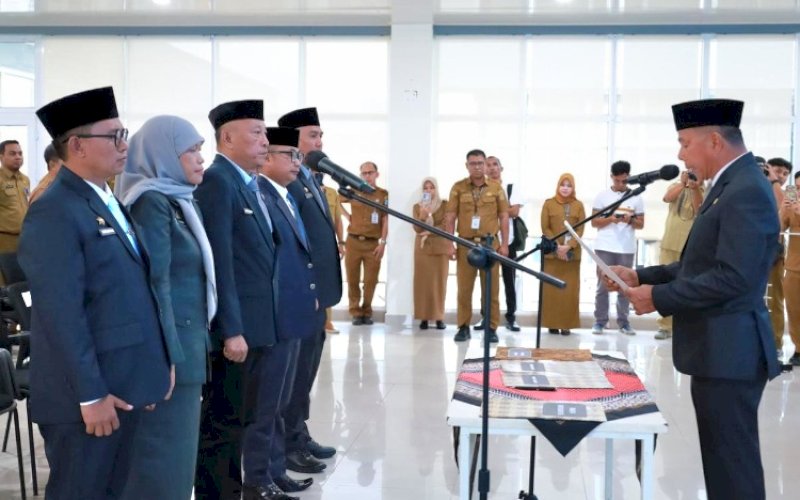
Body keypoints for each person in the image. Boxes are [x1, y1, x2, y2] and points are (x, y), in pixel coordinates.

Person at [610, 98, 780, 500]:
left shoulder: (746, 191)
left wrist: (659, 297)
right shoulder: (728, 185)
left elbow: (732, 278)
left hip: (732, 352)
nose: (679, 153)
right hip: (717, 349)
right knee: (722, 464)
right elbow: (701, 264)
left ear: (715, 141)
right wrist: (642, 275)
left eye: (685, 143)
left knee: (733, 467)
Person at [19, 86, 172, 499]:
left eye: (126, 134)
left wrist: (151, 369)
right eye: (114, 136)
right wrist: (91, 395)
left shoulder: (105, 197)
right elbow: (60, 312)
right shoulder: (55, 208)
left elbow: (130, 293)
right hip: (86, 397)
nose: (125, 146)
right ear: (77, 145)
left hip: (121, 382)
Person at [115, 115, 216, 500]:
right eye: (190, 150)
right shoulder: (151, 202)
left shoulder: (179, 201)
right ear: (162, 154)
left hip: (190, 348)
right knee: (162, 464)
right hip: (172, 356)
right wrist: (168, 357)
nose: (199, 158)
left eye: (199, 150)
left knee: (176, 463)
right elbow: (155, 284)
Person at [193, 100, 282, 500]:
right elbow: (220, 265)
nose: (266, 141)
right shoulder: (218, 182)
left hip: (256, 326)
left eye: (265, 133)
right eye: (257, 133)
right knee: (223, 425)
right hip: (236, 332)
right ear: (227, 138)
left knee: (241, 419)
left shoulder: (246, 182)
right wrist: (231, 329)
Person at [253, 126, 325, 496]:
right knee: (268, 402)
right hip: (275, 313)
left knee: (281, 398)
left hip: (295, 308)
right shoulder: (261, 194)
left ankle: (276, 468)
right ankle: (264, 473)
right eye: (291, 155)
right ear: (267, 158)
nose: (299, 161)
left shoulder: (283, 195)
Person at [279, 107, 340, 473]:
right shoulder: (289, 181)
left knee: (307, 372)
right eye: (312, 136)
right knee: (294, 374)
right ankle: (288, 443)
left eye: (320, 136)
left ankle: (299, 433)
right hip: (304, 293)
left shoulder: (310, 178)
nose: (319, 142)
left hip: (319, 296)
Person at [445, 149, 509, 343]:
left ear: (485, 164)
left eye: (481, 163)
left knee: (491, 289)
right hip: (466, 244)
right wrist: (449, 244)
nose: (478, 167)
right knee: (464, 289)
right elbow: (450, 217)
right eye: (473, 163)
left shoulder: (496, 188)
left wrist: (505, 244)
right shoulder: (458, 187)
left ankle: (491, 327)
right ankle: (463, 326)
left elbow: (504, 216)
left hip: (490, 245)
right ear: (467, 166)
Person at [590, 160, 645, 336]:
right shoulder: (602, 196)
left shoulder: (636, 197)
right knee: (602, 285)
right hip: (605, 245)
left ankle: (624, 322)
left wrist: (629, 220)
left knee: (625, 285)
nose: (621, 184)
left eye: (624, 181)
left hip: (626, 247)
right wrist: (611, 219)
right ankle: (600, 322)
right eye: (617, 181)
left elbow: (641, 224)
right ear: (612, 177)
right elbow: (594, 222)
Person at [655, 169, 703, 339]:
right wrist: (683, 185)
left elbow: (700, 210)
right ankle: (665, 326)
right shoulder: (676, 186)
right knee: (666, 285)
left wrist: (694, 187)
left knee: (688, 287)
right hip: (669, 243)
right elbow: (667, 198)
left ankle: (685, 327)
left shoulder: (705, 189)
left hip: (690, 246)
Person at [341, 161, 389, 325]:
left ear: (377, 174)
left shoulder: (383, 195)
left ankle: (367, 311)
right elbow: (335, 201)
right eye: (364, 173)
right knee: (352, 279)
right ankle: (355, 312)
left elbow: (385, 219)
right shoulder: (354, 191)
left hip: (372, 244)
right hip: (353, 241)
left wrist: (383, 243)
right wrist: (347, 217)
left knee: (370, 281)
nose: (367, 176)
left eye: (370, 172)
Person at [540, 173, 585, 335]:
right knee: (551, 290)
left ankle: (567, 324)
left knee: (569, 291)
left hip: (572, 256)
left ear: (573, 188)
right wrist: (558, 246)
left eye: (569, 185)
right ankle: (551, 323)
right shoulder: (549, 204)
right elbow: (545, 228)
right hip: (552, 254)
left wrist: (569, 246)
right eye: (562, 185)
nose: (565, 188)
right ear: (558, 186)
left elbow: (580, 229)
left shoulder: (578, 205)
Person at [485, 156, 522, 331]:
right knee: (487, 281)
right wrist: (503, 209)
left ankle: (511, 317)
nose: (492, 168)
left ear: (501, 168)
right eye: (488, 165)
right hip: (488, 240)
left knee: (509, 280)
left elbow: (514, 212)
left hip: (510, 241)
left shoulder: (510, 188)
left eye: (495, 165)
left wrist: (496, 209)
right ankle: (486, 317)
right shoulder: (482, 190)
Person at [412, 177, 449, 330]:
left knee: (439, 284)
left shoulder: (444, 205)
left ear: (436, 189)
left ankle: (439, 317)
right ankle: (424, 318)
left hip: (440, 248)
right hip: (422, 249)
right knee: (422, 284)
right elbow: (417, 229)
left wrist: (430, 230)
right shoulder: (417, 207)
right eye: (425, 188)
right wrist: (422, 215)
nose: (428, 191)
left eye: (431, 188)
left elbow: (446, 226)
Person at [765, 157, 792, 355]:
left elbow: (784, 204)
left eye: (785, 173)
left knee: (775, 299)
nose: (781, 176)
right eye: (777, 170)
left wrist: (774, 181)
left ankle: (775, 343)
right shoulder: (752, 185)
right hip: (750, 250)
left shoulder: (789, 191)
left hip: (777, 253)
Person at [780, 187, 800, 365]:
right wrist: (783, 209)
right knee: (794, 311)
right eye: (798, 188)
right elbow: (777, 229)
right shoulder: (791, 207)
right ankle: (799, 350)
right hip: (794, 267)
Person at [322, 183, 345, 333]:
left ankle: (327, 321)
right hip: (308, 243)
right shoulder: (297, 188)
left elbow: (338, 220)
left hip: (328, 243)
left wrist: (341, 242)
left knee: (327, 281)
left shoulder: (331, 192)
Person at [0, 139, 29, 254]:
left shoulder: (25, 180)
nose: (18, 157)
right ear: (1, 157)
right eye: (12, 154)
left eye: (20, 153)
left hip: (24, 239)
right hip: (5, 242)